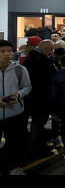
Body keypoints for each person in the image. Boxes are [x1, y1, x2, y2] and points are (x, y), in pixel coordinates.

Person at [0, 40, 32, 175]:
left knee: (13, 144)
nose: (7, 54)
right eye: (3, 52)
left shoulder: (20, 69)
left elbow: (27, 87)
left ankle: (14, 168)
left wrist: (18, 95)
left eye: (9, 51)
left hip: (15, 114)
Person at [23, 40, 59, 158]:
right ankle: (35, 148)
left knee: (37, 123)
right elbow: (50, 75)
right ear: (47, 48)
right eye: (51, 49)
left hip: (34, 98)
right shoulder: (40, 59)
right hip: (40, 98)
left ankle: (35, 146)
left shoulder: (32, 57)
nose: (52, 51)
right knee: (38, 123)